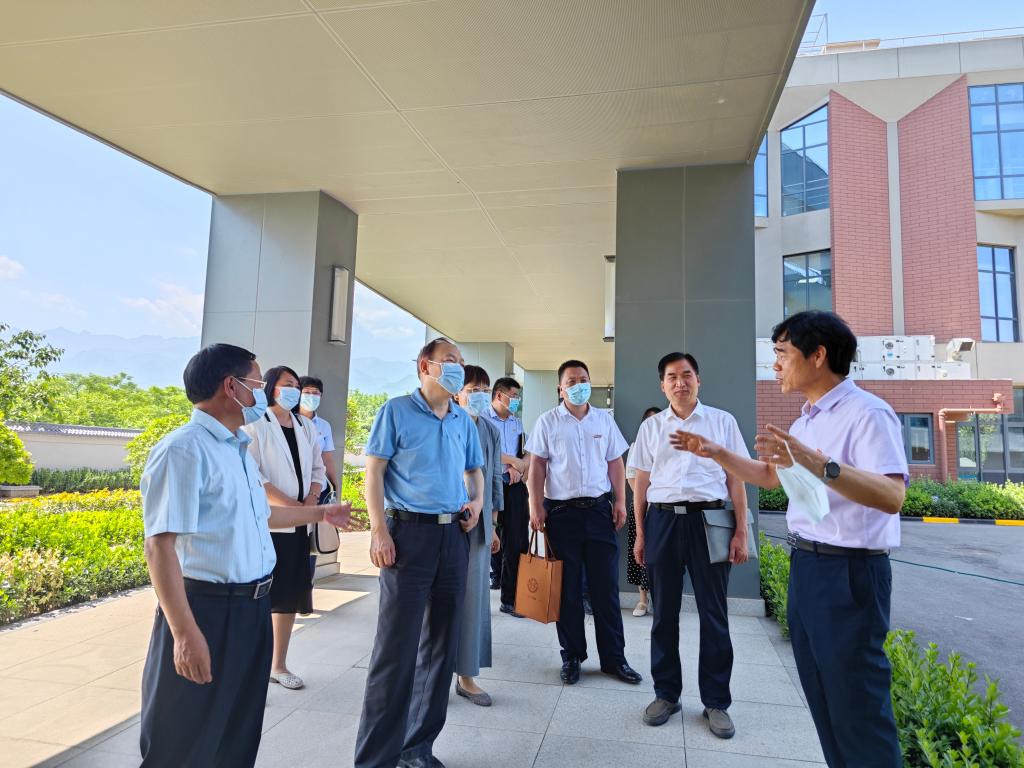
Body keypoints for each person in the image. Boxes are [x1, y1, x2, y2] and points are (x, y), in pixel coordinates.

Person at [669, 310, 907, 767]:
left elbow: (892, 495)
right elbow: (769, 477)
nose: (775, 365)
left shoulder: (868, 413)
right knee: (823, 696)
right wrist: (716, 452)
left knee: (857, 704)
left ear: (818, 355)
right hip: (809, 565)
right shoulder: (804, 422)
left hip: (851, 571)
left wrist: (820, 464)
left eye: (782, 353)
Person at [139, 343, 349, 767]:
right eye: (256, 382)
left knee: (236, 734)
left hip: (252, 610)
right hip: (206, 611)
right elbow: (159, 546)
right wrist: (184, 634)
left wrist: (320, 512)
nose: (262, 392)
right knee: (183, 741)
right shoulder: (184, 450)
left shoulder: (236, 447)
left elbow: (262, 515)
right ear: (230, 387)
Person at [355, 338, 485, 768]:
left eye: (461, 362)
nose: (458, 368)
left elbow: (475, 469)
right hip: (407, 536)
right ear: (425, 366)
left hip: (453, 537)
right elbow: (374, 472)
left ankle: (417, 749)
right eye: (450, 360)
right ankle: (376, 759)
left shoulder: (462, 420)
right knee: (395, 649)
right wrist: (379, 531)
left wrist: (477, 502)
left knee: (441, 648)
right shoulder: (396, 411)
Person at [630, 353, 750, 740]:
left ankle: (716, 702)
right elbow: (641, 483)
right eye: (672, 377)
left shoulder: (722, 422)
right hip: (663, 521)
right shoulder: (651, 427)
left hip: (709, 520)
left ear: (698, 380)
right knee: (663, 614)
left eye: (686, 375)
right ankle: (666, 695)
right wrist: (641, 532)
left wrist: (741, 530)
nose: (680, 382)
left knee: (714, 614)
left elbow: (737, 479)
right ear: (662, 385)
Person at [526, 359, 642, 686]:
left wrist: (620, 501)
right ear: (560, 388)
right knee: (568, 591)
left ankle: (614, 659)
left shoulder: (604, 420)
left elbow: (615, 463)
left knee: (606, 589)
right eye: (571, 381)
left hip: (598, 511)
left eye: (583, 379)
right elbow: (537, 466)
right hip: (560, 514)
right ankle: (572, 656)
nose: (579, 385)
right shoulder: (548, 421)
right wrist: (535, 506)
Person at [241, 365, 326, 692]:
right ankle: (252, 667)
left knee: (289, 595)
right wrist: (292, 505)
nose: (295, 391)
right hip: (270, 523)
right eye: (287, 384)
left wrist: (312, 499)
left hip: (299, 524)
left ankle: (278, 665)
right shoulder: (256, 425)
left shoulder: (305, 426)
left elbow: (318, 468)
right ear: (271, 387)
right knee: (262, 595)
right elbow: (254, 474)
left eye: (297, 386)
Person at [453, 365, 504, 707]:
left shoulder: (489, 429)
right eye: (473, 389)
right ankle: (428, 674)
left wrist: (494, 523)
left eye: (485, 389)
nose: (479, 395)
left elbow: (495, 477)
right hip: (444, 523)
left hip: (480, 525)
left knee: (473, 602)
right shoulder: (445, 421)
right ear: (458, 392)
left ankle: (467, 676)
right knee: (436, 602)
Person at [485, 377, 529, 616]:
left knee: (517, 542)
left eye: (518, 397)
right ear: (499, 395)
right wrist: (511, 461)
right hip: (488, 485)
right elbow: (485, 450)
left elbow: (525, 452)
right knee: (486, 539)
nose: (516, 401)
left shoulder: (516, 422)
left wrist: (517, 468)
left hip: (513, 486)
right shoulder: (481, 419)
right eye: (513, 396)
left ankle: (511, 599)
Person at [625, 406, 660, 616]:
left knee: (660, 554)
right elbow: (631, 476)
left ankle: (660, 599)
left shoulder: (669, 444)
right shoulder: (636, 446)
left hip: (663, 508)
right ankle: (642, 600)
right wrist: (645, 498)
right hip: (642, 507)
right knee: (640, 553)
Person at [298, 376, 339, 502]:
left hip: (320, 488)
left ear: (321, 395)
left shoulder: (324, 425)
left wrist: (335, 486)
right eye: (306, 392)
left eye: (315, 393)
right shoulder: (288, 420)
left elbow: (327, 459)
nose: (311, 396)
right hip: (295, 488)